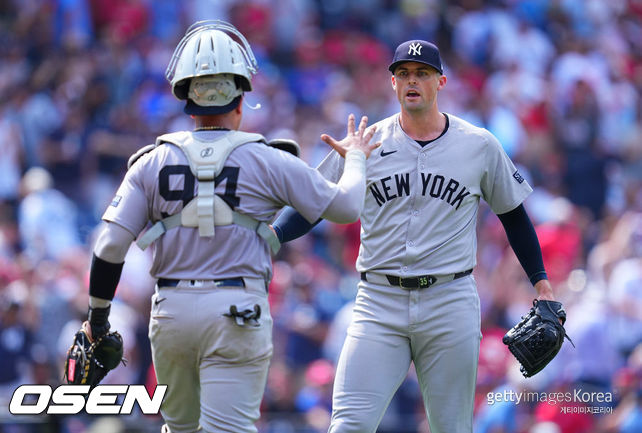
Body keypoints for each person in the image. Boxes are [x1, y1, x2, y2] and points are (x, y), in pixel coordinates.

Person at [80, 20, 379, 433]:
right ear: (241, 100)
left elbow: (110, 245)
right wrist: (357, 157)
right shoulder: (268, 158)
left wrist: (97, 318)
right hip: (236, 312)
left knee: (179, 430)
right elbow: (345, 208)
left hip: (171, 313)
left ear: (185, 99)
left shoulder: (152, 160)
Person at [273, 39, 560, 433]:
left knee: (451, 427)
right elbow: (313, 201)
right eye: (403, 73)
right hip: (378, 302)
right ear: (392, 83)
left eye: (422, 73)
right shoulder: (367, 142)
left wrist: (541, 283)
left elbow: (514, 216)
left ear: (440, 81)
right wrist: (272, 236)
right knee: (348, 425)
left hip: (449, 300)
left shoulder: (478, 145)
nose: (412, 80)